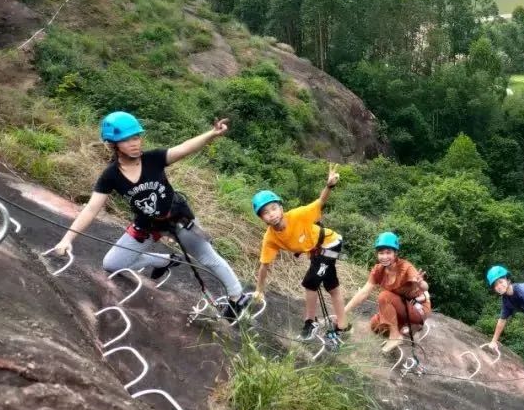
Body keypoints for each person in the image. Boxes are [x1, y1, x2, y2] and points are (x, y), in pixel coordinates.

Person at [51, 111, 250, 318]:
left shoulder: (153, 159)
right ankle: (163, 260)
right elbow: (91, 209)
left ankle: (237, 297)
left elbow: (183, 149)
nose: (134, 143)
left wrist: (212, 134)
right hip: (147, 225)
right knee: (112, 264)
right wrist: (67, 239)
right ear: (112, 144)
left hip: (178, 219)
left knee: (207, 257)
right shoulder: (110, 176)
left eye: (136, 137)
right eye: (126, 140)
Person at [252, 165, 346, 341]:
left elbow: (320, 202)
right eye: (265, 213)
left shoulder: (298, 215)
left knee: (310, 282)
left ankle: (310, 322)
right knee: (331, 286)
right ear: (261, 218)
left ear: (281, 208)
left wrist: (329, 186)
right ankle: (343, 325)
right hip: (316, 252)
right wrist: (259, 290)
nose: (271, 214)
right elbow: (264, 265)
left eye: (273, 208)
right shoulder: (270, 238)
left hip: (331, 243)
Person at [344, 232, 430, 353]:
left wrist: (421, 283)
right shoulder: (378, 270)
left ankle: (396, 336)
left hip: (417, 307)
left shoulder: (406, 267)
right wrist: (343, 313)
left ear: (395, 253)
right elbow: (363, 292)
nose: (384, 257)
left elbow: (425, 287)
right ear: (377, 254)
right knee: (375, 325)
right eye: (381, 253)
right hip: (400, 306)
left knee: (384, 296)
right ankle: (406, 327)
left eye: (388, 252)